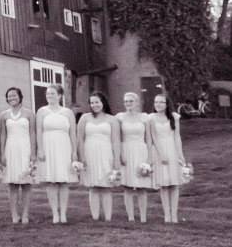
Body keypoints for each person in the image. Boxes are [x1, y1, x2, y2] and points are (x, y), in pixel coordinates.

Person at [36, 84, 78, 224]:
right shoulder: (41, 111)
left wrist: (74, 152)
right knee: (51, 181)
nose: (50, 96)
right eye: (48, 94)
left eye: (53, 94)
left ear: (60, 95)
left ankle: (63, 213)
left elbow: (73, 133)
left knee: (63, 181)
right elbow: (39, 131)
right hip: (48, 147)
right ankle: (55, 213)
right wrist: (40, 149)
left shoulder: (68, 112)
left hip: (64, 146)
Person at [77, 92, 120, 221]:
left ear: (103, 102)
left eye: (97, 102)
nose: (94, 105)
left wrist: (116, 158)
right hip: (89, 153)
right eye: (92, 102)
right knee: (93, 186)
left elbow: (115, 141)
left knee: (106, 186)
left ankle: (108, 217)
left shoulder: (112, 119)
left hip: (106, 153)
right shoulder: (85, 118)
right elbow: (80, 138)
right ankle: (95, 216)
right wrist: (82, 157)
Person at [0, 87, 36, 224]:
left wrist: (33, 153)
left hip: (25, 148)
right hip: (10, 149)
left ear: (20, 96)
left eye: (14, 95)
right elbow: (3, 135)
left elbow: (33, 133)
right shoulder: (4, 115)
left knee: (26, 184)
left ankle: (25, 214)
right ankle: (14, 214)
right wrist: (2, 153)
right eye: (9, 96)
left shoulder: (29, 114)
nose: (12, 98)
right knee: (12, 184)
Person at [116, 92, 153, 222]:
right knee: (127, 186)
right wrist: (120, 154)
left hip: (141, 151)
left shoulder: (144, 118)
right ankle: (130, 216)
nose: (128, 104)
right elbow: (118, 138)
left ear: (137, 102)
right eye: (126, 101)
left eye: (131, 101)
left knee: (142, 186)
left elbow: (148, 139)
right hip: (126, 150)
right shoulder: (120, 118)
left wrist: (149, 158)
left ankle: (143, 216)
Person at [150, 94, 185, 223]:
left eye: (161, 102)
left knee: (174, 184)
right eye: (156, 102)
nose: (158, 104)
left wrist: (180, 155)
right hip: (159, 152)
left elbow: (177, 137)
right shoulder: (151, 118)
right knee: (164, 185)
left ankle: (174, 215)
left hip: (172, 150)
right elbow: (154, 138)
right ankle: (167, 215)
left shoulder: (174, 117)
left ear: (166, 104)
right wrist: (161, 154)